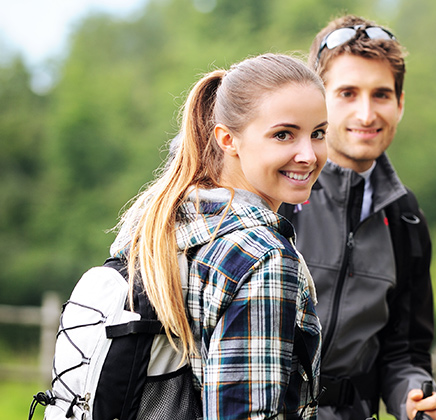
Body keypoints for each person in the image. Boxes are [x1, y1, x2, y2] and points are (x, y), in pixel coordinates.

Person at [110, 53, 326, 420]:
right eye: (283, 134)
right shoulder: (264, 257)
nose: (308, 154)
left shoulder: (160, 225)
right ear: (228, 139)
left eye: (318, 133)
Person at [278, 15, 436, 420]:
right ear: (319, 101)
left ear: (400, 103)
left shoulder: (407, 220)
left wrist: (413, 400)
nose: (366, 112)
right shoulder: (274, 196)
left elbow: (404, 352)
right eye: (347, 93)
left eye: (381, 95)